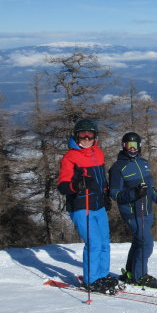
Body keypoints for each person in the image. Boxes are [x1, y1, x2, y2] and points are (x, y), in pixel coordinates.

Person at [57, 119, 117, 294]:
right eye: (82, 134)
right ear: (76, 136)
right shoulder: (70, 157)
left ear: (95, 136)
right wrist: (77, 185)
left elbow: (102, 179)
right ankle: (90, 280)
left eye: (89, 134)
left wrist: (106, 195)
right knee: (94, 243)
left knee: (105, 242)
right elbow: (62, 186)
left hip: (98, 205)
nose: (85, 138)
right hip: (81, 206)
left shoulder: (99, 153)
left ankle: (102, 275)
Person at [109, 132, 157, 288]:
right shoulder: (118, 168)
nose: (131, 149)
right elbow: (114, 194)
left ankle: (131, 272)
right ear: (123, 146)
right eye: (128, 145)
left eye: (134, 145)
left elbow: (150, 188)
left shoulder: (144, 163)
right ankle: (140, 276)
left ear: (139, 146)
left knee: (139, 241)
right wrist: (134, 193)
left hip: (147, 211)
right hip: (133, 212)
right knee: (146, 243)